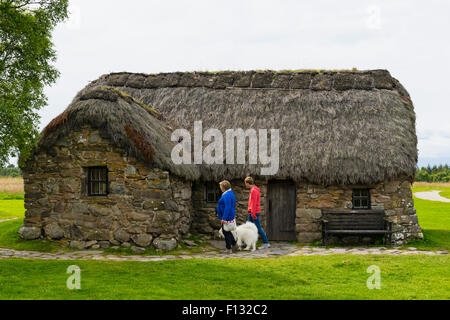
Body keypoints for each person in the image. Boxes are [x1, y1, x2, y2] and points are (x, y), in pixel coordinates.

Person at [245, 176, 271, 249]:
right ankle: (248, 243)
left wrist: (253, 213)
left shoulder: (253, 191)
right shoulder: (254, 189)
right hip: (252, 212)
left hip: (254, 213)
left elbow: (254, 203)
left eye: (245, 183)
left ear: (247, 183)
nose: (245, 185)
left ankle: (266, 243)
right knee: (248, 228)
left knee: (258, 228)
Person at [216, 180, 237, 254]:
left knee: (226, 232)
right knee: (227, 231)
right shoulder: (230, 193)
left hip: (226, 216)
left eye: (221, 187)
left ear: (224, 187)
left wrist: (224, 218)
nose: (220, 188)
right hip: (229, 215)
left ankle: (229, 249)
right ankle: (234, 244)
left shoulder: (226, 195)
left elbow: (227, 207)